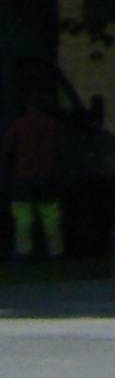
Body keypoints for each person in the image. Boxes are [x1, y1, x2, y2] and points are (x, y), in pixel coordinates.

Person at [6, 89, 64, 260]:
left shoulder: (18, 126)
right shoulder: (52, 125)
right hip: (46, 177)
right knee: (50, 216)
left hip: (24, 177)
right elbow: (60, 149)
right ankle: (55, 251)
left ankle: (23, 252)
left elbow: (7, 148)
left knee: (23, 218)